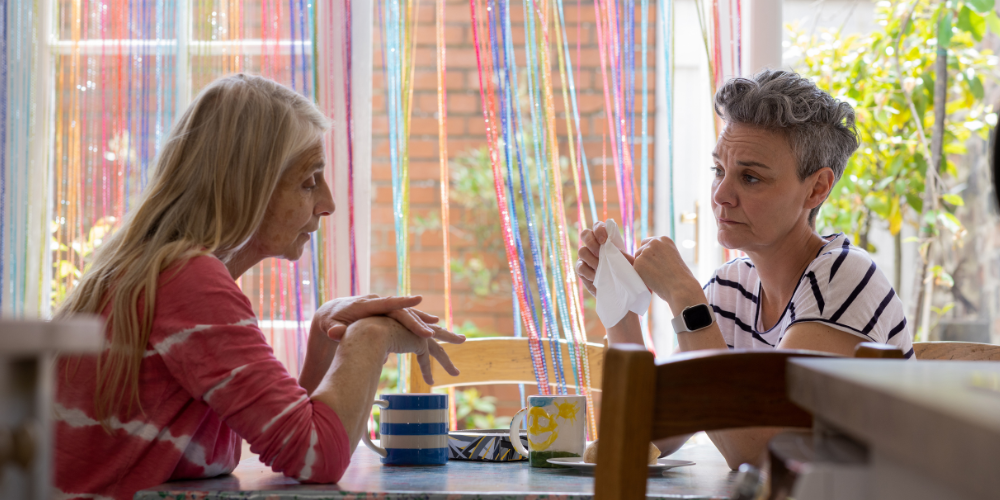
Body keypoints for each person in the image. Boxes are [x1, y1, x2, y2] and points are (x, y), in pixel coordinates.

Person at [53, 74, 464, 500]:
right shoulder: (188, 282)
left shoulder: (161, 271)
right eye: (309, 181)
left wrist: (325, 338)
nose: (327, 204)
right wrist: (370, 338)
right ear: (245, 188)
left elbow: (292, 443)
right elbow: (316, 458)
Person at [575, 70, 912, 470]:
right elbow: (647, 434)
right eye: (719, 170)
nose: (720, 195)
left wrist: (686, 298)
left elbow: (758, 451)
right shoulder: (731, 288)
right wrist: (621, 308)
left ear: (817, 188)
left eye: (750, 177)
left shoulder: (844, 279)